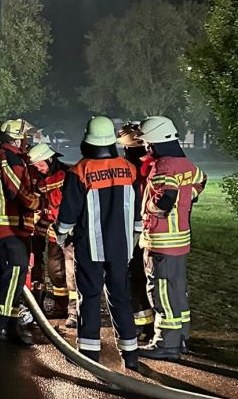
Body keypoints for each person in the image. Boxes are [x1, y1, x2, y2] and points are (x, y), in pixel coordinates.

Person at [55, 116, 139, 369]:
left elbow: (68, 214)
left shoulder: (80, 171)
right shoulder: (128, 168)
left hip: (90, 247)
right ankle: (131, 355)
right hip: (121, 248)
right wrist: (132, 240)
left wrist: (61, 236)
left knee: (89, 298)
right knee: (121, 298)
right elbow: (135, 212)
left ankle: (89, 355)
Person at [136, 116, 207, 361]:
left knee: (161, 292)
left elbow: (165, 199)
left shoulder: (163, 166)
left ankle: (166, 343)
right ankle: (181, 338)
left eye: (146, 142)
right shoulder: (184, 163)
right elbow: (202, 179)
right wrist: (189, 199)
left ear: (153, 142)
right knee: (177, 291)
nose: (145, 147)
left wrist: (150, 210)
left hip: (162, 240)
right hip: (180, 240)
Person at [0, 119, 38, 345]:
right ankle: (4, 327)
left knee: (4, 276)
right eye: (24, 137)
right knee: (15, 273)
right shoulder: (10, 159)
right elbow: (17, 192)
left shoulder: (2, 158)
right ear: (16, 138)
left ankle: (7, 323)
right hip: (10, 229)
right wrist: (37, 202)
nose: (27, 140)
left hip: (3, 228)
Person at [25, 142, 76, 327]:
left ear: (50, 158)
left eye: (40, 164)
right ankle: (61, 306)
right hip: (55, 231)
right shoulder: (42, 179)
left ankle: (74, 312)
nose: (38, 168)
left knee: (72, 274)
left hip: (71, 233)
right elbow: (48, 207)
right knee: (55, 271)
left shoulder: (66, 175)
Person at [117, 122, 156, 343]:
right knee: (140, 278)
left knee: (137, 277)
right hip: (145, 229)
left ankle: (145, 326)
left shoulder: (137, 168)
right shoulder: (149, 164)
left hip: (138, 229)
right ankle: (146, 325)